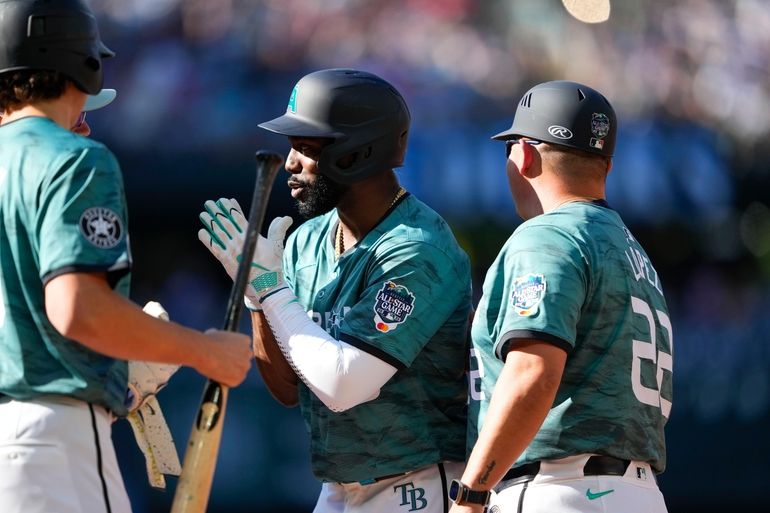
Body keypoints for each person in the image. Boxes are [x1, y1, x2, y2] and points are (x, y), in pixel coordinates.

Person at [0, 2, 253, 513]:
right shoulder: (72, 157)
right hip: (50, 441)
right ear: (82, 64)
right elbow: (78, 310)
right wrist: (201, 351)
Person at [199, 68, 473, 513]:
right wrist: (254, 294)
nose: (290, 163)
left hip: (416, 484)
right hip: (338, 487)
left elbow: (344, 386)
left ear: (357, 153)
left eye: (306, 149)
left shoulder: (416, 248)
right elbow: (288, 388)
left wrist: (269, 289)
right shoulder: (307, 239)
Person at [449, 80, 673, 513]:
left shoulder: (549, 235)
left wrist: (472, 494)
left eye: (509, 148)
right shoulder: (631, 249)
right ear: (606, 166)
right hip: (639, 493)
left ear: (527, 154)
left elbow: (535, 373)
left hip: (561, 489)